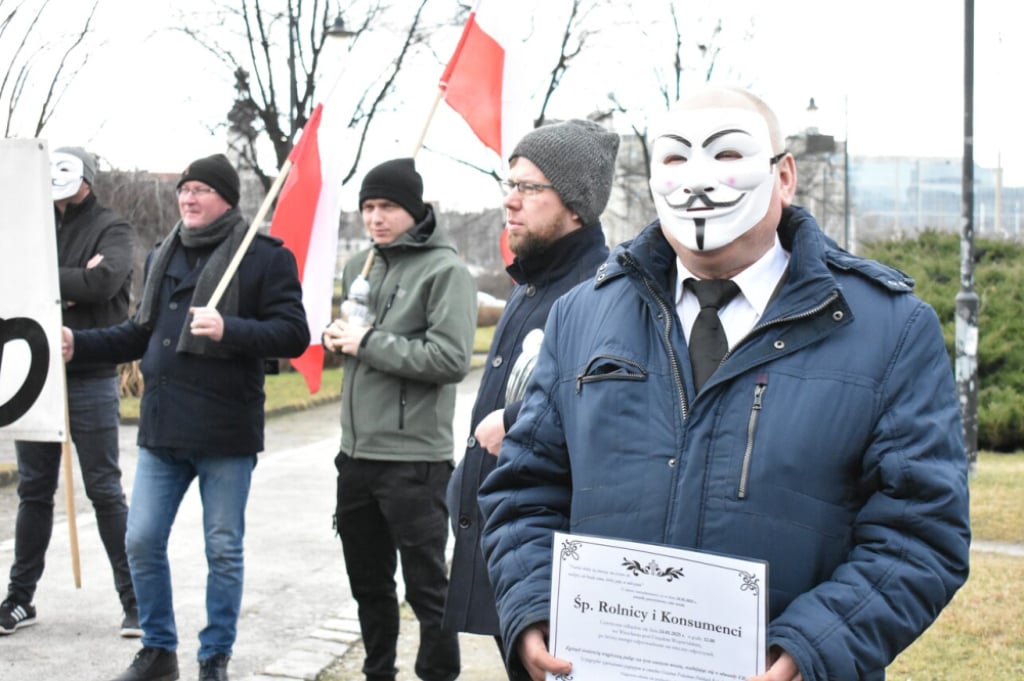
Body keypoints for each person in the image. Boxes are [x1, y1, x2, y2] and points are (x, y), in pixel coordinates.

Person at [478, 85, 971, 681]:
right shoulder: (582, 315)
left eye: (728, 155)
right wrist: (531, 606)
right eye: (675, 158)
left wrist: (809, 650)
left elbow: (920, 532)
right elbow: (525, 490)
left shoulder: (889, 327)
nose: (697, 181)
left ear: (783, 175)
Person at [62, 153, 309, 681]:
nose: (188, 199)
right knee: (141, 539)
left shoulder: (263, 257)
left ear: (226, 198)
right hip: (163, 427)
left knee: (223, 548)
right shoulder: (162, 255)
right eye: (183, 190)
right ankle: (158, 650)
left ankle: (214, 656)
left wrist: (231, 329)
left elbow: (294, 334)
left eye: (200, 190)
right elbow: (138, 334)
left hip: (225, 431)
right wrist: (76, 344)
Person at [443, 119, 619, 655]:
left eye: (529, 188)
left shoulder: (605, 292)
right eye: (509, 185)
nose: (510, 201)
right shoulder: (529, 286)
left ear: (576, 203)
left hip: (553, 557)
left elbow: (613, 402)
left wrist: (517, 421)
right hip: (507, 547)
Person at [322, 157, 477, 681]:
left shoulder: (446, 270)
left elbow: (451, 359)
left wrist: (367, 342)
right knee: (368, 586)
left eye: (387, 206)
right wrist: (340, 338)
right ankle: (377, 673)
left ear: (413, 209)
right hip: (356, 456)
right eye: (367, 207)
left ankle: (438, 674)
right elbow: (358, 341)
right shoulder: (359, 266)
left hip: (414, 461)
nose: (375, 217)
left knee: (428, 589)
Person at [0, 146, 139, 638]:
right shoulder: (30, 224)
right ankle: (19, 599)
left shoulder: (113, 228)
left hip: (91, 376)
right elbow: (13, 280)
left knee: (104, 489)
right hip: (37, 379)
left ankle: (135, 600)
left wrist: (53, 284)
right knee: (34, 490)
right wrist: (68, 283)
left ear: (86, 177)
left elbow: (104, 283)